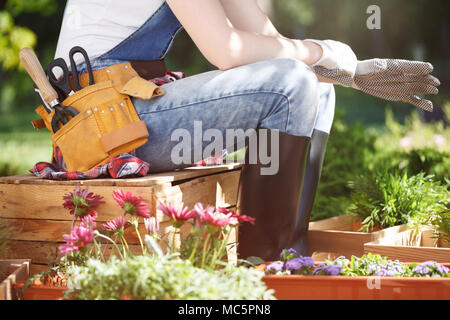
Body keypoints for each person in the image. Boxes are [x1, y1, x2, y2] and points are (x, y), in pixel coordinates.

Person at [55, 0, 439, 260]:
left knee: (314, 84)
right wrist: (322, 51)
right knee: (293, 80)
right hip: (101, 124)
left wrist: (346, 71)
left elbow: (268, 42)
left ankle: (291, 253)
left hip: (131, 103)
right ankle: (262, 267)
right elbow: (227, 50)